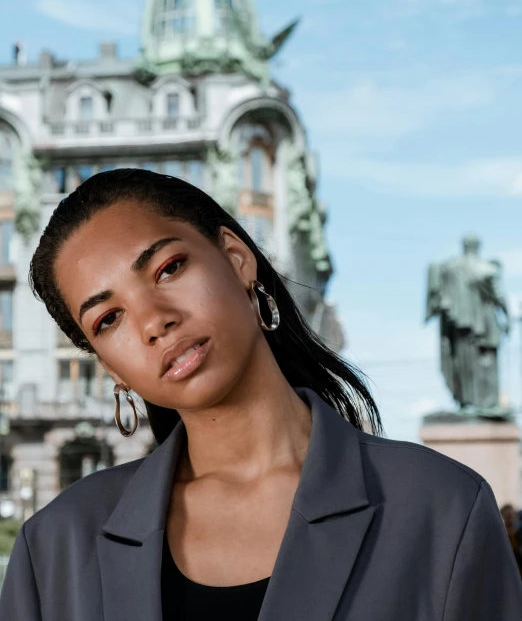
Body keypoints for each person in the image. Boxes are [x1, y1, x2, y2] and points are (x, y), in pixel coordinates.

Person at [1, 168, 521, 620]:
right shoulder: (54, 548)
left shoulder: (441, 508)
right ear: (109, 366)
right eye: (109, 318)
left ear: (236, 258)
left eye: (168, 269)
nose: (154, 322)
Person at [501, 504, 522, 578]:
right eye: (506, 517)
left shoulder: (519, 531)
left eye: (510, 516)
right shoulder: (505, 535)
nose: (509, 520)